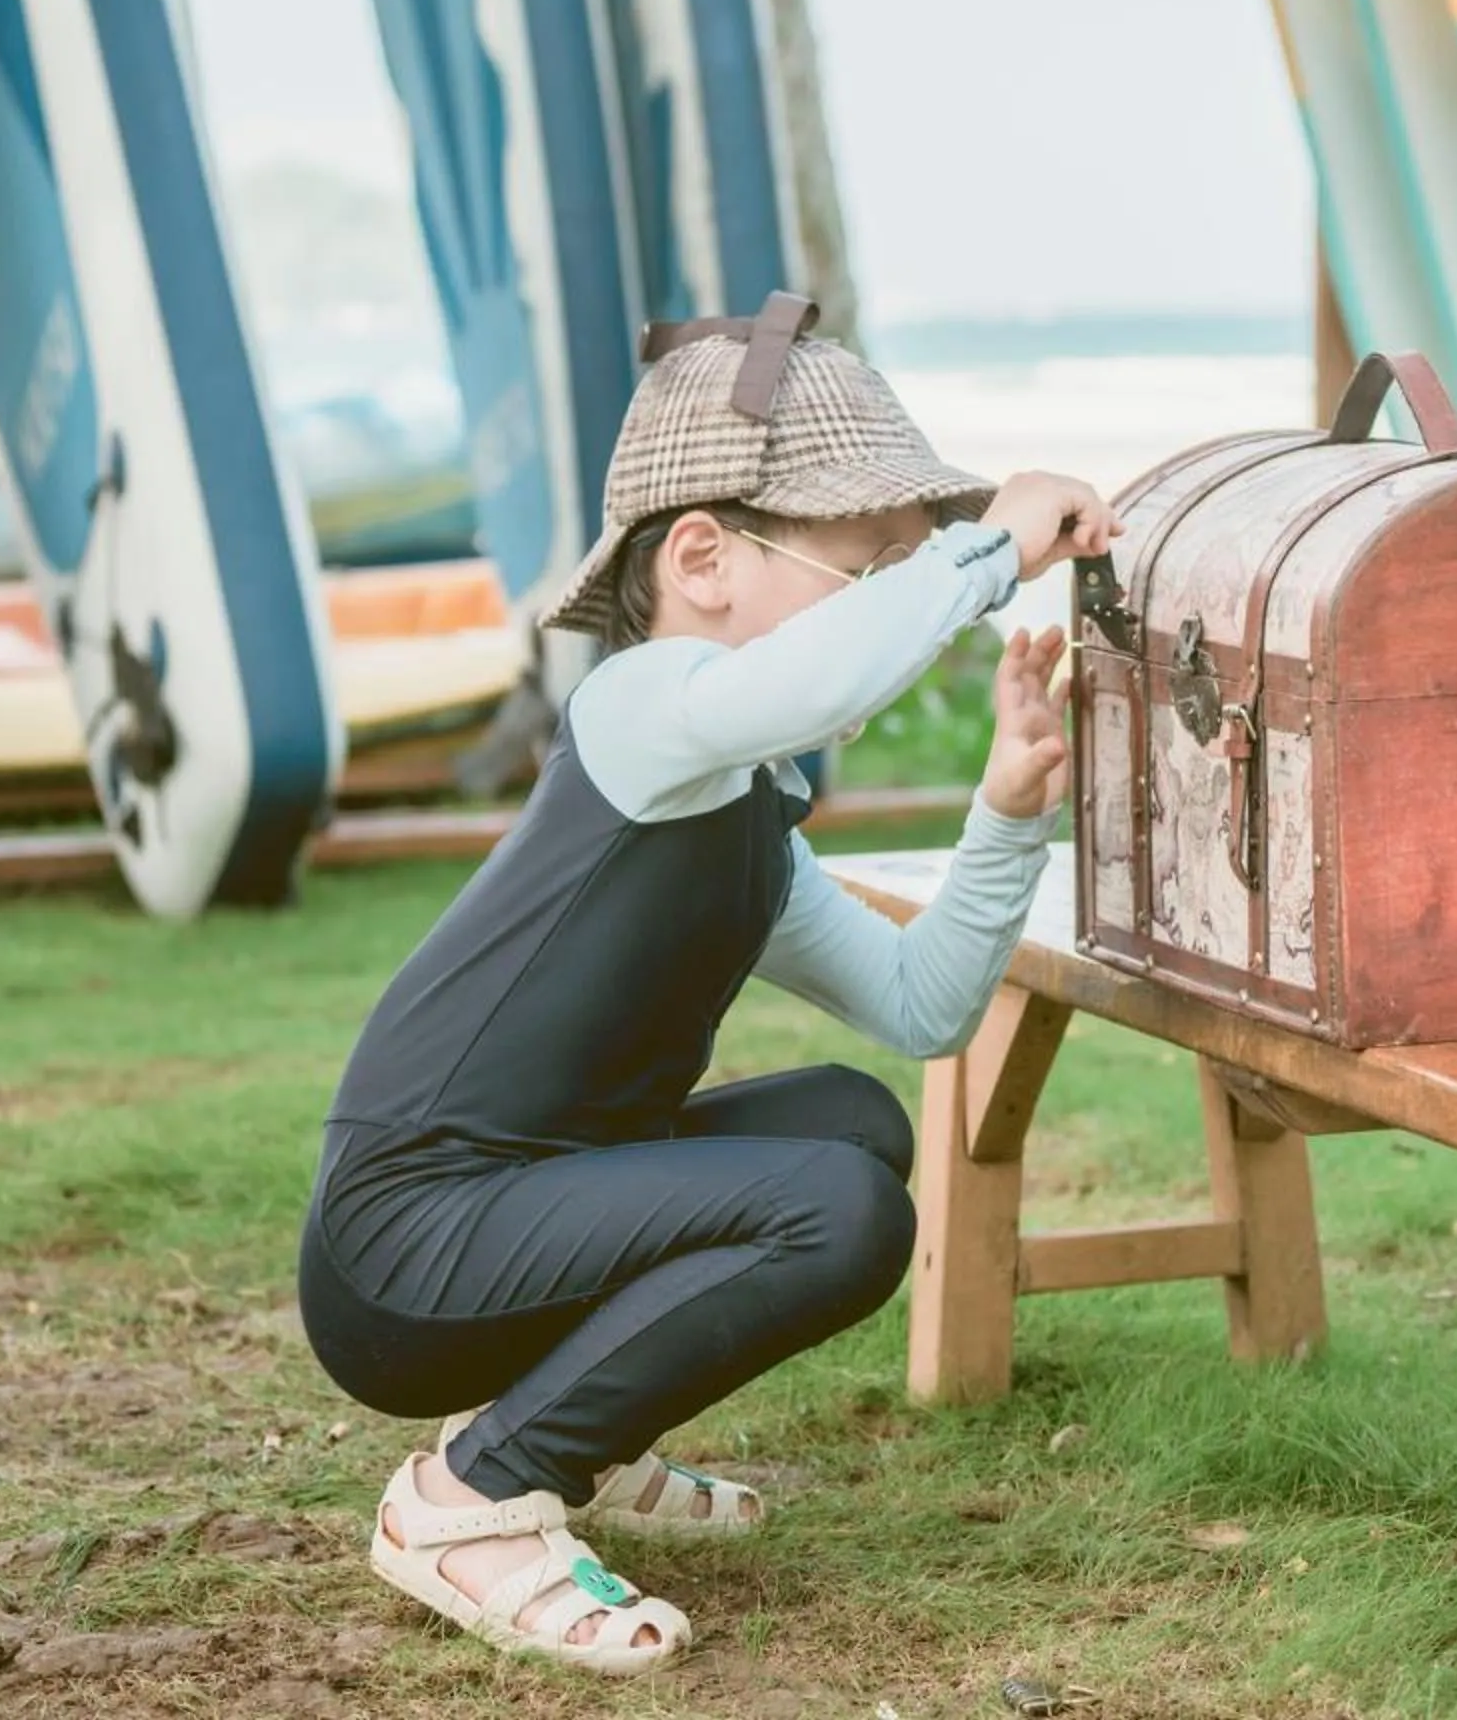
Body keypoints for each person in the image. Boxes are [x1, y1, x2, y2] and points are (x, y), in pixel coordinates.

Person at [296, 298, 1115, 1674]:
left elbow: (923, 1009)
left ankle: (585, 1436)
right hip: (408, 1248)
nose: (894, 606)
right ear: (702, 559)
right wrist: (985, 553)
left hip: (519, 1213)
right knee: (838, 1209)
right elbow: (792, 690)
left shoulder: (732, 807)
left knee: (856, 1127)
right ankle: (476, 1496)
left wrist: (1006, 809)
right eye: (872, 571)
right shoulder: (633, 713)